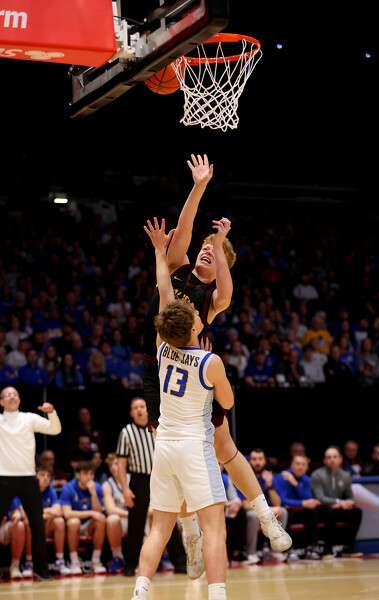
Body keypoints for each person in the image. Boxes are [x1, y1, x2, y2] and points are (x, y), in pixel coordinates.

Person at [141, 157, 291, 562]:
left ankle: (266, 516)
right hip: (155, 368)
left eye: (215, 251)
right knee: (171, 453)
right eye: (205, 248)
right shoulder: (176, 268)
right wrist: (199, 186)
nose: (207, 250)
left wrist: (222, 243)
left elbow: (226, 287)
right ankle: (190, 534)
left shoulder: (214, 298)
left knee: (224, 448)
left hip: (192, 370)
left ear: (224, 261)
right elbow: (186, 228)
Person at [132, 217, 234, 600]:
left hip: (164, 447)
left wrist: (161, 253)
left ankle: (140, 591)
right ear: (194, 328)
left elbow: (164, 289)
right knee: (215, 528)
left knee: (159, 528)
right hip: (194, 446)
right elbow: (227, 403)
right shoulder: (210, 361)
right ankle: (218, 595)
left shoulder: (160, 349)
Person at [116, 396, 186, 576]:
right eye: (136, 407)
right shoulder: (126, 432)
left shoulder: (158, 427)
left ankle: (179, 562)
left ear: (147, 410)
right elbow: (121, 463)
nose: (139, 409)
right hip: (139, 479)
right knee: (136, 523)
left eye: (142, 406)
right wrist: (125, 489)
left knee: (168, 518)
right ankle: (131, 564)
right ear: (131, 413)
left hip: (162, 477)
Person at [0, 386, 61, 580]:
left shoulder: (29, 418)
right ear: (1, 401)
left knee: (37, 525)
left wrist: (51, 412)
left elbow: (55, 429)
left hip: (28, 477)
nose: (12, 397)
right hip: (3, 478)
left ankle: (41, 569)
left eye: (15, 394)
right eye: (7, 395)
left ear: (19, 399)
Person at [236, 448, 288, 564]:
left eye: (260, 459)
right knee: (253, 515)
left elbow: (277, 503)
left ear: (265, 461)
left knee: (283, 512)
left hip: (268, 512)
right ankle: (251, 552)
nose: (257, 462)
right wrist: (268, 509)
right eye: (254, 459)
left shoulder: (269, 477)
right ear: (249, 461)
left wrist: (270, 485)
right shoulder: (244, 477)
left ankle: (275, 551)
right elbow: (245, 505)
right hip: (253, 512)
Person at [310, 446, 363, 558]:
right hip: (322, 509)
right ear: (324, 460)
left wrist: (349, 503)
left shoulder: (345, 476)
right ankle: (328, 549)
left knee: (357, 512)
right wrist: (338, 501)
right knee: (329, 513)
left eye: (335, 457)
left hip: (339, 509)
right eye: (329, 457)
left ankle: (348, 548)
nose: (332, 460)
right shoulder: (317, 475)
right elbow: (319, 497)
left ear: (340, 459)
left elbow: (351, 497)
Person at [59, 460, 107, 575]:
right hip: (73, 525)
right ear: (78, 475)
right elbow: (67, 514)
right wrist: (90, 513)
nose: (89, 477)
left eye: (91, 474)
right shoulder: (68, 487)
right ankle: (74, 561)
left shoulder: (97, 487)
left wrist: (93, 494)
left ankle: (96, 561)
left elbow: (98, 512)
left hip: (89, 525)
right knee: (73, 522)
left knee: (101, 520)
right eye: (85, 473)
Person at [23, 464, 71, 577]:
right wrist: (48, 512)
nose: (46, 478)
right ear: (35, 476)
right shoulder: (28, 490)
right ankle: (29, 563)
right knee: (29, 523)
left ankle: (60, 561)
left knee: (59, 521)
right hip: (32, 528)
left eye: (48, 476)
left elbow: (58, 511)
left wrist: (38, 513)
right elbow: (25, 516)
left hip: (46, 527)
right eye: (42, 475)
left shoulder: (50, 490)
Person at [275, 455, 322, 561]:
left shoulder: (306, 479)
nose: (300, 467)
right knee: (287, 511)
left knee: (312, 511)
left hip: (299, 512)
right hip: (285, 513)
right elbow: (282, 501)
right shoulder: (283, 477)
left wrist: (295, 484)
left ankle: (311, 547)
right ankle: (287, 549)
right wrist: (302, 504)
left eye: (303, 464)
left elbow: (308, 500)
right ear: (292, 465)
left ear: (307, 467)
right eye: (297, 464)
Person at [102, 453, 130, 574]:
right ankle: (117, 557)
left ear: (124, 464)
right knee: (112, 519)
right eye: (110, 465)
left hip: (137, 520)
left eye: (116, 464)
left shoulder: (134, 479)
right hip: (123, 520)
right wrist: (131, 515)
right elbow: (110, 510)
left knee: (152, 515)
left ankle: (162, 557)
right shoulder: (107, 485)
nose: (113, 468)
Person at [0, 497, 26, 579]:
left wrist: (15, 517)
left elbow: (16, 512)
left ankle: (15, 567)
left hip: (5, 526)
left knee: (19, 526)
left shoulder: (6, 491)